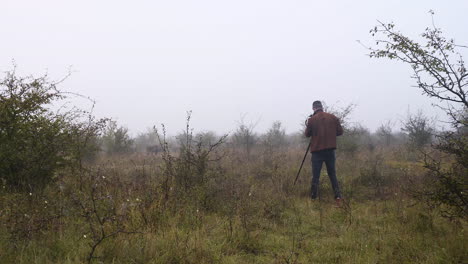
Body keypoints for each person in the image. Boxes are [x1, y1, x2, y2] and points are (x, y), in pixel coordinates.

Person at [304, 101, 344, 206]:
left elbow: (307, 134)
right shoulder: (333, 117)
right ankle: (338, 197)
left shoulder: (311, 120)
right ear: (321, 107)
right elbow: (340, 132)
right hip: (330, 151)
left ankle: (313, 198)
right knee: (332, 174)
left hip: (317, 152)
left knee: (315, 175)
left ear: (313, 108)